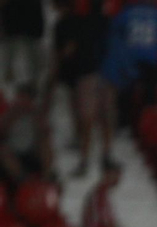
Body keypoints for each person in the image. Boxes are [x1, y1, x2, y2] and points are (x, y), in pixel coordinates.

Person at [48, 0, 110, 177]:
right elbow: (60, 52)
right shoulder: (62, 25)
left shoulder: (85, 22)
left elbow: (69, 51)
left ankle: (88, 159)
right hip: (73, 76)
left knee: (87, 118)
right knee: (80, 114)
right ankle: (87, 153)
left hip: (87, 75)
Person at [0, 82, 51, 184]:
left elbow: (44, 134)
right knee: (3, 151)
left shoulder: (36, 115)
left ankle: (46, 176)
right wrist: (11, 118)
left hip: (31, 153)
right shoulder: (10, 113)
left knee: (45, 146)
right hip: (12, 152)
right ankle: (22, 179)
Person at [1, 0, 45, 89]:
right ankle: (8, 77)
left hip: (28, 29)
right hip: (15, 27)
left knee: (32, 58)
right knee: (10, 54)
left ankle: (34, 81)